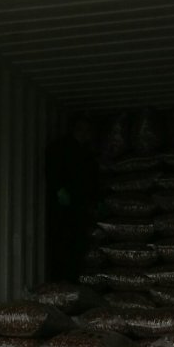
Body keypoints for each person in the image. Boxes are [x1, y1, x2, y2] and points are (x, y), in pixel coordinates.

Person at [45, 117, 99, 282]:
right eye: (82, 129)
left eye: (88, 131)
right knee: (63, 245)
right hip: (64, 210)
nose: (85, 134)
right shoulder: (61, 148)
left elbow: (92, 180)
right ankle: (62, 281)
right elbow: (52, 169)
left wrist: (94, 202)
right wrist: (59, 190)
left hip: (79, 208)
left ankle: (71, 281)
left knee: (77, 246)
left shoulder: (87, 153)